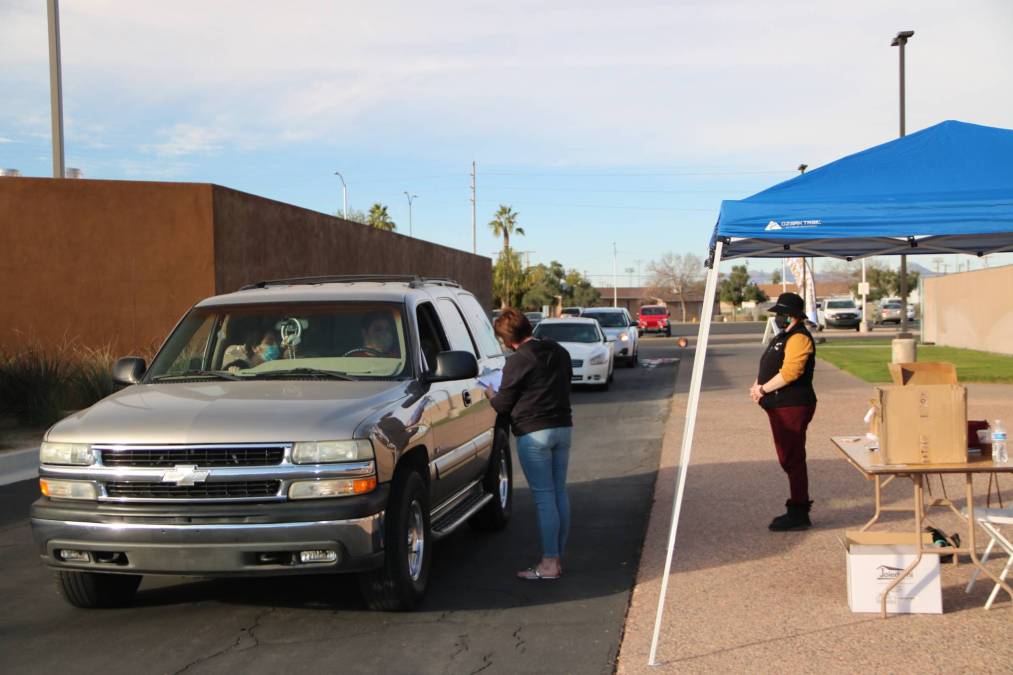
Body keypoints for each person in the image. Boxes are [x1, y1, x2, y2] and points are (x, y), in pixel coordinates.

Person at [487, 307, 573, 580]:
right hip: (562, 428)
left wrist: (490, 392)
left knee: (544, 497)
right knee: (559, 493)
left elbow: (502, 405)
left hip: (533, 433)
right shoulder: (559, 351)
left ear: (507, 340)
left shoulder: (517, 360)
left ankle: (548, 564)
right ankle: (557, 558)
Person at [750, 292, 817, 531]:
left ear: (793, 316)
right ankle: (797, 507)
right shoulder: (785, 336)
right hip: (778, 404)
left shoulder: (800, 338)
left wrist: (763, 389)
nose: (778, 317)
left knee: (792, 457)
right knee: (787, 456)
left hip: (793, 404)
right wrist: (757, 385)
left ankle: (798, 511)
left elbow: (791, 372)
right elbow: (769, 363)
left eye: (782, 314)